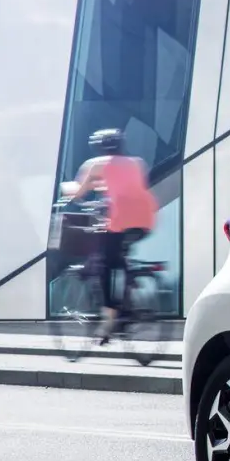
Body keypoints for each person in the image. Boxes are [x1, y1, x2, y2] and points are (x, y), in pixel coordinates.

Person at [70, 129, 157, 340]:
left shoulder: (95, 164)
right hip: (145, 218)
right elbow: (131, 187)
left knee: (104, 263)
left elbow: (78, 193)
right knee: (119, 256)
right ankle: (127, 304)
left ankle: (110, 314)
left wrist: (68, 194)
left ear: (100, 147)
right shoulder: (137, 162)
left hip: (120, 218)